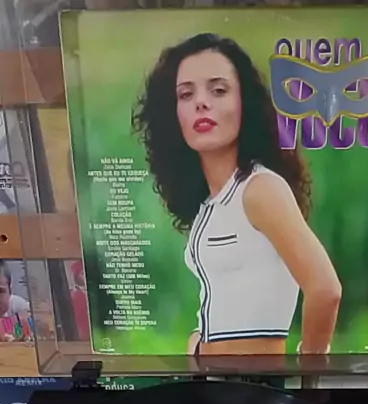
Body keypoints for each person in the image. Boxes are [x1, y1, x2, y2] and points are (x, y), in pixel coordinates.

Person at [133, 33, 342, 356]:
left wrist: (309, 371)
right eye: (186, 94)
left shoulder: (260, 189)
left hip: (252, 382)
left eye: (218, 90)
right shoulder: (211, 202)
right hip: (210, 379)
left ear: (245, 103)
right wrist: (198, 344)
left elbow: (325, 289)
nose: (201, 102)